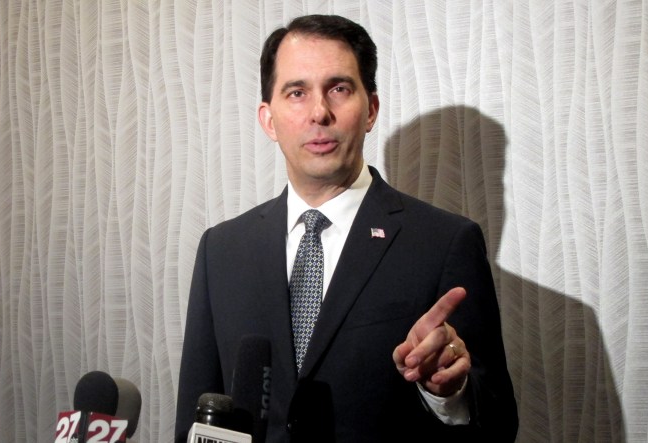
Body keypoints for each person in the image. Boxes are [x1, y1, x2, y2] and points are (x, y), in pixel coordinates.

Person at [175, 14, 518, 443]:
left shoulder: (444, 244)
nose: (320, 112)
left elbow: (498, 425)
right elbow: (196, 416)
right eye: (296, 92)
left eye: (339, 89)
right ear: (268, 119)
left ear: (370, 109)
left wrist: (449, 394)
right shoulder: (221, 250)